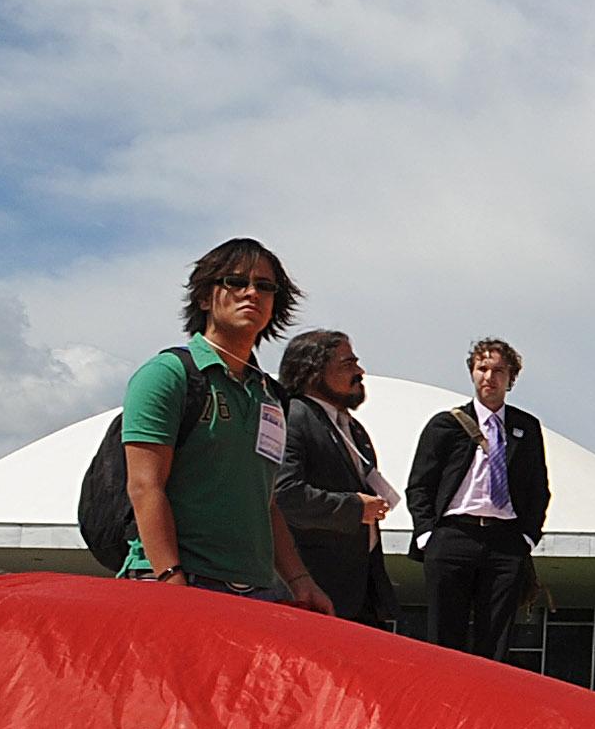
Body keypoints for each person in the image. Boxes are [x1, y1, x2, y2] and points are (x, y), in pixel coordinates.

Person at [120, 238, 333, 612]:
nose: (252, 292)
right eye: (235, 281)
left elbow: (266, 501)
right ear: (204, 298)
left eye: (266, 286)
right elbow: (144, 486)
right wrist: (172, 582)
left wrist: (301, 581)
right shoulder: (166, 375)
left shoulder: (271, 395)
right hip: (176, 582)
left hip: (257, 590)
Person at [405, 338, 550, 660]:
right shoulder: (446, 425)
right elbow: (420, 485)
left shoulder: (526, 427)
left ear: (511, 377)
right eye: (482, 368)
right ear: (472, 373)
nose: (489, 377)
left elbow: (538, 487)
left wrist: (527, 536)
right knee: (445, 635)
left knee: (496, 638)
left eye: (498, 370)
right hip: (454, 535)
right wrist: (428, 534)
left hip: (505, 540)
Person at [272, 329, 399, 627]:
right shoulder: (293, 417)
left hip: (360, 592)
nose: (360, 372)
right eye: (348, 364)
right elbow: (285, 495)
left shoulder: (354, 429)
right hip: (313, 589)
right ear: (313, 372)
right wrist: (355, 507)